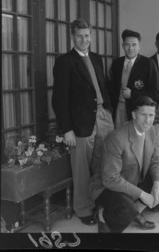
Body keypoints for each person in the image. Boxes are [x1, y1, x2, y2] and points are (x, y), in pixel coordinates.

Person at [52, 18, 114, 226]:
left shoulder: (96, 58)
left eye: (87, 35)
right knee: (81, 168)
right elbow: (59, 100)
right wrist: (67, 130)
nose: (84, 40)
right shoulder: (65, 62)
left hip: (103, 116)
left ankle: (98, 201)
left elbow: (102, 86)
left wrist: (108, 110)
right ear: (72, 37)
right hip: (80, 123)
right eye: (80, 36)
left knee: (102, 162)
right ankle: (83, 209)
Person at [91, 96, 159, 233]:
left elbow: (155, 160)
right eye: (143, 115)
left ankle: (136, 211)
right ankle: (104, 215)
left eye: (151, 115)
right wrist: (142, 194)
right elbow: (110, 179)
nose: (148, 120)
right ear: (133, 115)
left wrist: (157, 183)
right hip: (107, 187)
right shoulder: (117, 138)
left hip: (133, 180)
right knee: (127, 209)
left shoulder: (151, 131)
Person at [109, 29, 159, 128]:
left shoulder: (148, 64)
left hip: (138, 111)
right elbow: (110, 88)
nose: (130, 48)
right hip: (118, 110)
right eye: (127, 45)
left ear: (139, 46)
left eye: (134, 45)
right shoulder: (117, 63)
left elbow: (156, 93)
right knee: (120, 138)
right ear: (123, 46)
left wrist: (132, 94)